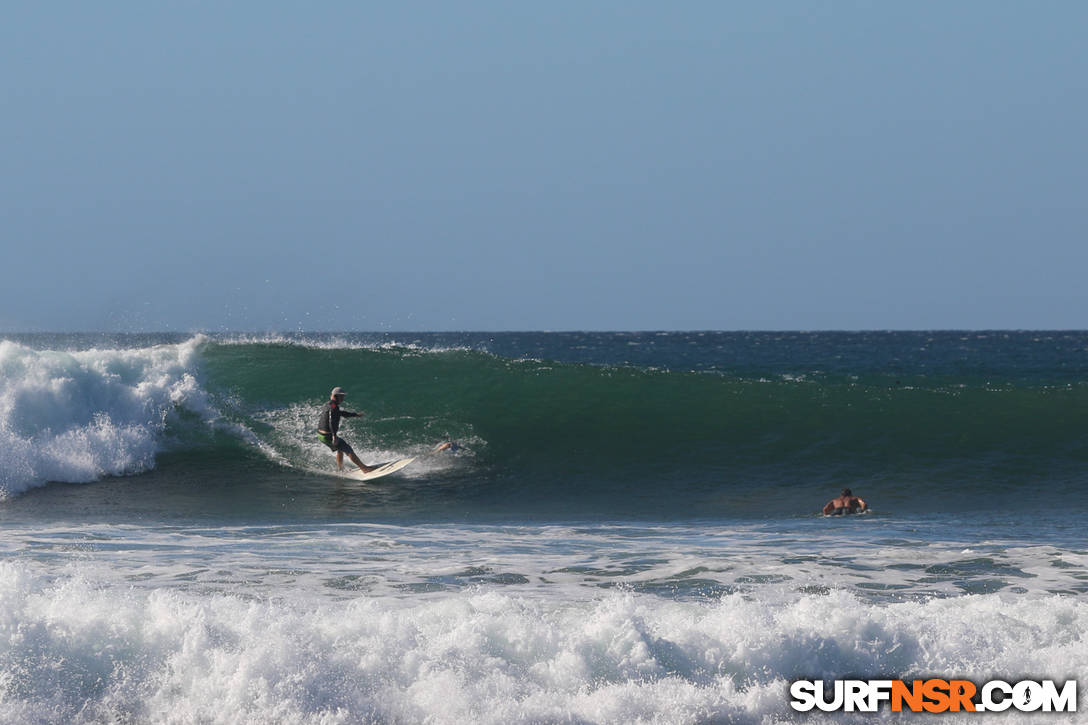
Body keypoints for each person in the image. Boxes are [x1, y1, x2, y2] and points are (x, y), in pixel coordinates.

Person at [317, 387, 376, 473]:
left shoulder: (329, 404)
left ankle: (340, 469)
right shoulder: (333, 407)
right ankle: (364, 468)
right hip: (328, 435)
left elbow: (342, 413)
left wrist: (355, 415)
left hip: (321, 435)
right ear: (336, 396)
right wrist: (334, 436)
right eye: (342, 397)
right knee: (348, 449)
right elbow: (331, 420)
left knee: (340, 449)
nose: (343, 399)